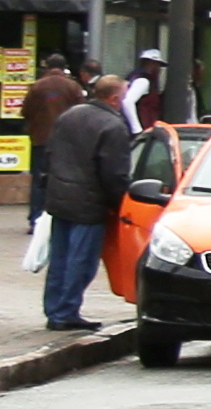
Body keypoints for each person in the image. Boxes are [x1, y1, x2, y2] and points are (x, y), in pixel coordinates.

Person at [29, 70, 136, 331]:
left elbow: (50, 154)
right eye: (122, 96)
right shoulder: (112, 126)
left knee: (61, 258)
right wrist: (120, 203)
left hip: (60, 198)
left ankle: (55, 309)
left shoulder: (69, 116)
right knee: (82, 261)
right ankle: (67, 311)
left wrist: (46, 190)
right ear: (113, 98)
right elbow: (114, 173)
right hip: (89, 203)